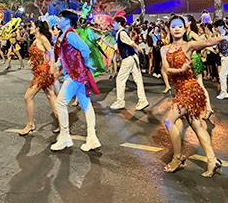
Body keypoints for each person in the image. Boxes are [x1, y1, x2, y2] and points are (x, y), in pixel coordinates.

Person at [160, 15, 228, 177]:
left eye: (179, 26)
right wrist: (180, 70)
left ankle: (178, 157)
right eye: (173, 26)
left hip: (190, 89)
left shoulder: (189, 45)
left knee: (169, 121)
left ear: (185, 29)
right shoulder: (164, 49)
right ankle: (212, 160)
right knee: (196, 126)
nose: (176, 28)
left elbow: (207, 42)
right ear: (169, 28)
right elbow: (166, 70)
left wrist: (224, 37)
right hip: (180, 89)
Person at [51, 10, 101, 152]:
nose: (58, 20)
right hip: (78, 75)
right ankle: (92, 138)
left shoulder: (70, 34)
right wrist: (59, 63)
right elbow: (70, 53)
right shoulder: (67, 34)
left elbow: (85, 49)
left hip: (75, 76)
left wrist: (84, 63)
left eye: (61, 18)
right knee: (86, 105)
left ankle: (65, 136)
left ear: (67, 21)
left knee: (60, 104)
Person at [19, 21, 59, 136]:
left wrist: (52, 66)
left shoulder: (42, 38)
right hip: (38, 70)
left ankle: (30, 124)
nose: (29, 28)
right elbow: (39, 54)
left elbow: (51, 52)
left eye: (31, 26)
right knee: (51, 95)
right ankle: (63, 123)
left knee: (28, 97)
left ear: (37, 28)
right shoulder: (36, 39)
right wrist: (32, 61)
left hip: (43, 72)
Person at [109, 16, 149, 112]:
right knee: (138, 79)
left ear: (119, 24)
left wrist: (137, 47)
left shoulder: (122, 32)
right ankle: (143, 100)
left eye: (114, 23)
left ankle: (120, 101)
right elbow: (119, 45)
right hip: (132, 57)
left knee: (120, 80)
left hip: (128, 58)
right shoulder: (121, 33)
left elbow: (130, 42)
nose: (112, 25)